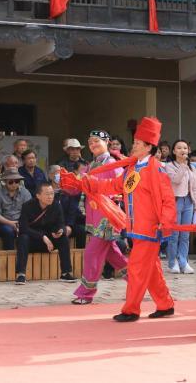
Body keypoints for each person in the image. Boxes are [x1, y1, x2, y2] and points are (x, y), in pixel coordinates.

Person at [80, 117, 176, 322]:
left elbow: (168, 199)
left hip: (150, 229)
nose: (133, 146)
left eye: (138, 143)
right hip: (136, 227)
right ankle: (165, 304)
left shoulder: (155, 168)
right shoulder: (133, 168)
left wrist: (165, 222)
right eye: (134, 142)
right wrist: (92, 183)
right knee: (151, 271)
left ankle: (131, 310)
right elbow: (115, 186)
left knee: (137, 269)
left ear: (149, 147)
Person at [71, 130, 128, 305]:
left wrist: (106, 196)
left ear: (107, 142)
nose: (93, 144)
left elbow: (122, 189)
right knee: (113, 255)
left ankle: (86, 293)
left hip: (106, 216)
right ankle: (140, 280)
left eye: (97, 141)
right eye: (90, 142)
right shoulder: (92, 165)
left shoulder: (112, 163)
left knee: (91, 253)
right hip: (95, 215)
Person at [16, 181, 76, 284]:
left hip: (50, 242)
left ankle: (66, 273)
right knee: (23, 238)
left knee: (63, 238)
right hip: (33, 241)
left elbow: (61, 223)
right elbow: (23, 227)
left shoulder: (56, 206)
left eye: (52, 193)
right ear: (38, 195)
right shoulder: (27, 206)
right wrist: (42, 236)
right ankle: (21, 274)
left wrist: (60, 231)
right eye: (47, 194)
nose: (50, 197)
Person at [163, 140, 196, 274]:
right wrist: (183, 166)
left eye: (185, 148)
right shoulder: (169, 166)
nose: (182, 150)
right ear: (174, 151)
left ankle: (183, 261)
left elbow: (194, 188)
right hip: (175, 200)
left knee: (185, 234)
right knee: (175, 234)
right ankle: (173, 263)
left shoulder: (192, 168)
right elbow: (176, 180)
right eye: (179, 148)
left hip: (189, 201)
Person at [0, 168, 32, 251]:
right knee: (8, 232)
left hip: (21, 222)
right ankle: (10, 258)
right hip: (3, 223)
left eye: (17, 181)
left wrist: (21, 224)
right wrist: (9, 223)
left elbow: (29, 211)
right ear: (5, 182)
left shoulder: (25, 193)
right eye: (11, 182)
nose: (14, 184)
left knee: (27, 233)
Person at [48, 165, 86, 248]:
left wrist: (69, 225)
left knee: (82, 230)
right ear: (50, 175)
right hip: (52, 224)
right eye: (58, 172)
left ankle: (80, 258)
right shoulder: (46, 190)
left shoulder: (69, 190)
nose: (61, 175)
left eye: (62, 172)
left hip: (67, 223)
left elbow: (72, 210)